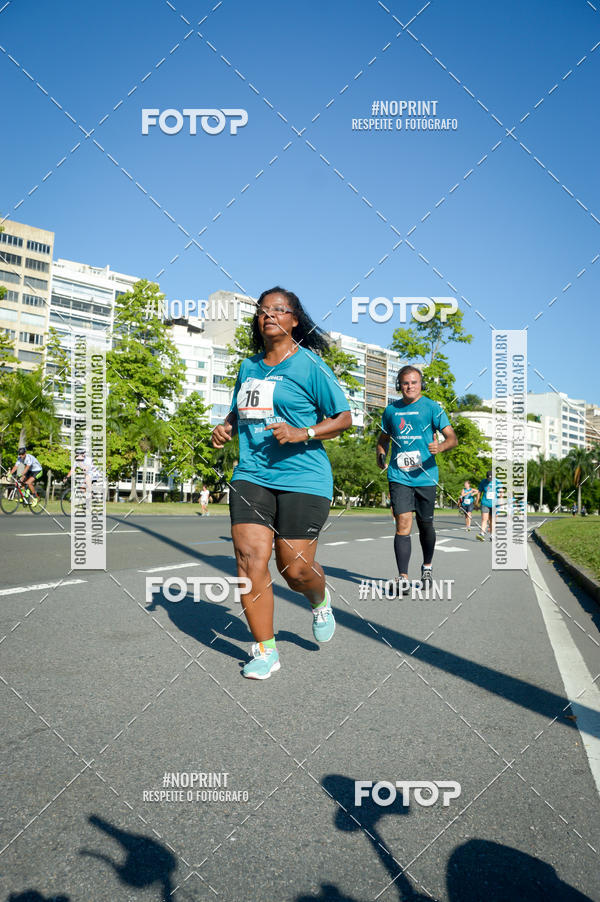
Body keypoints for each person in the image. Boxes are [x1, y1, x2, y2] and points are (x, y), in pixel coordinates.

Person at [211, 286, 352, 680]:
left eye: (279, 310)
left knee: (294, 568)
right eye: (263, 310)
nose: (269, 315)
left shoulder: (310, 365)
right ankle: (265, 650)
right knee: (249, 558)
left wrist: (302, 432)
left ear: (294, 319)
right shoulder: (248, 366)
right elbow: (240, 409)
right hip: (252, 474)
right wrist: (225, 426)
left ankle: (319, 598)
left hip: (304, 477)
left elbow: (343, 418)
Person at [376, 365, 458, 591]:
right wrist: (381, 454)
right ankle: (402, 577)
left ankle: (427, 567)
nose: (409, 386)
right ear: (399, 385)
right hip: (399, 474)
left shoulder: (433, 408)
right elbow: (383, 439)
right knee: (403, 522)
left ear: (421, 384)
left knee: (426, 525)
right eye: (405, 383)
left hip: (425, 476)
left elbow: (452, 438)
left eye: (413, 382)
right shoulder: (391, 411)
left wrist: (440, 447)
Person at [475, 470, 501, 541]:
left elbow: (501, 491)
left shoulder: (497, 481)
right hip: (485, 503)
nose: (490, 480)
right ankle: (482, 534)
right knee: (484, 519)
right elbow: (479, 492)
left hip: (494, 504)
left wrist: (500, 500)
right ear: (486, 477)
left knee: (492, 520)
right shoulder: (483, 482)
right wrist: (476, 503)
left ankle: (492, 535)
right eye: (489, 478)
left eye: (491, 478)